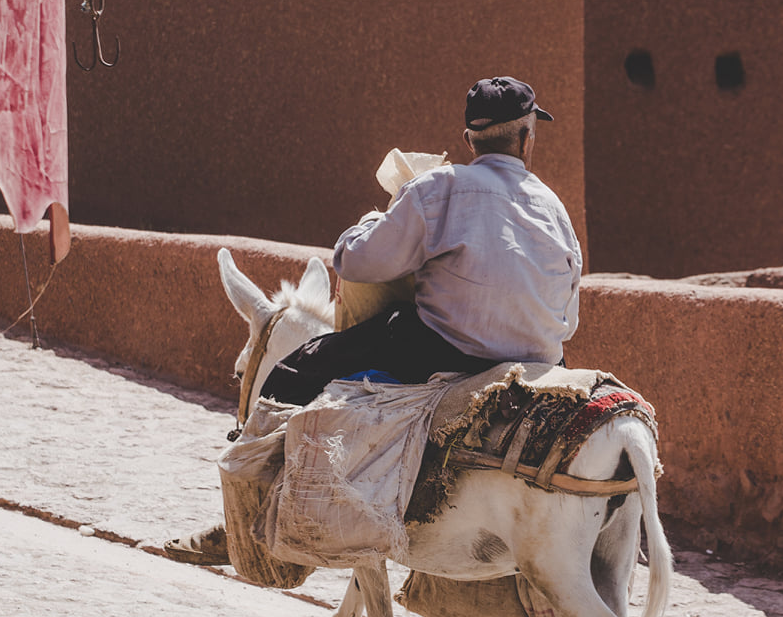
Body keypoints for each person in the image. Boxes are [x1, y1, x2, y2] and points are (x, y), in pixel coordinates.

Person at [165, 76, 583, 565]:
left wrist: (367, 223)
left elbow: (358, 264)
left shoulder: (440, 188)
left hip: (444, 352)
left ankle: (244, 526)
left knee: (294, 371)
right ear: (528, 139)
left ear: (470, 140)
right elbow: (568, 317)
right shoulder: (555, 208)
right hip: (538, 363)